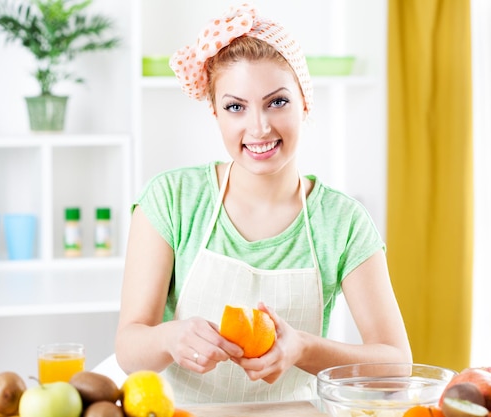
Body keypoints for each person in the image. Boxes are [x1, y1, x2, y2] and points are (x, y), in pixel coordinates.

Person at [115, 2, 412, 404]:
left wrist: (304, 349)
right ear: (216, 114)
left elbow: (396, 368)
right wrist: (170, 337)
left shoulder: (342, 222)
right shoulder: (171, 201)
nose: (259, 127)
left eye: (277, 102)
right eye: (235, 106)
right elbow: (129, 350)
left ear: (304, 102)